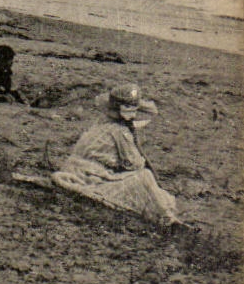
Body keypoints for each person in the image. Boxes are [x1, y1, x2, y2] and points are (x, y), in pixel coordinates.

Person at [51, 85, 183, 227]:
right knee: (145, 177)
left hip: (73, 169)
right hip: (89, 178)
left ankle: (165, 212)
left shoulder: (102, 123)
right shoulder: (120, 131)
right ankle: (166, 217)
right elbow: (133, 164)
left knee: (150, 185)